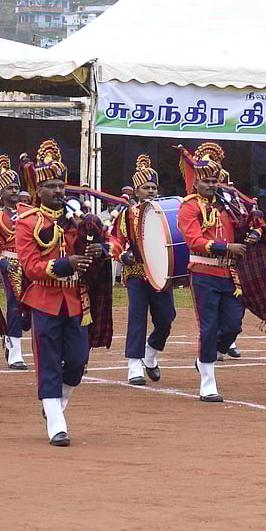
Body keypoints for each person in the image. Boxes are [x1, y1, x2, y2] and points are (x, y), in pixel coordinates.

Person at [16, 140, 105, 445]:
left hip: (76, 300)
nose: (58, 191)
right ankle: (56, 422)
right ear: (38, 190)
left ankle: (57, 404)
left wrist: (100, 250)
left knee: (78, 361)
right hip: (44, 298)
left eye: (61, 186)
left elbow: (105, 244)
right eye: (51, 186)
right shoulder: (28, 222)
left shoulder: (79, 219)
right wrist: (67, 264)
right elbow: (30, 266)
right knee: (49, 360)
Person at [176, 142, 258, 403]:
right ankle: (208, 383)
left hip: (229, 273)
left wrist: (253, 233)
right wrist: (226, 247)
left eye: (214, 181)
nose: (211, 185)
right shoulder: (189, 206)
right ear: (196, 182)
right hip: (203, 271)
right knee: (208, 326)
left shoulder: (228, 204)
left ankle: (205, 358)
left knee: (233, 324)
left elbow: (247, 223)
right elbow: (194, 240)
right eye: (206, 181)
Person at [109, 155, 176, 386]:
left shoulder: (163, 211)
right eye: (146, 187)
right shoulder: (127, 214)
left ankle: (151, 351)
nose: (151, 191)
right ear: (136, 191)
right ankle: (134, 365)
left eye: (154, 187)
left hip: (161, 272)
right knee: (137, 317)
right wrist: (121, 255)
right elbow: (115, 240)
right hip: (136, 272)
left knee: (167, 317)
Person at [0, 156, 30, 370]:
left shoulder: (29, 212)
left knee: (34, 307)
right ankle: (15, 353)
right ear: (1, 192)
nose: (14, 191)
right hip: (10, 263)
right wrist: (2, 263)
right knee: (15, 306)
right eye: (10, 188)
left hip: (31, 263)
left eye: (16, 188)